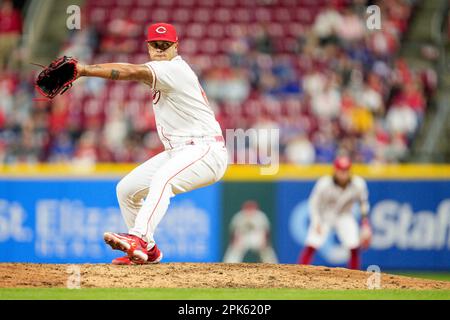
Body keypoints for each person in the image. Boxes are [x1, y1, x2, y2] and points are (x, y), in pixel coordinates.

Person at [75, 23, 228, 265]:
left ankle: (139, 238)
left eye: (165, 45)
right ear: (148, 47)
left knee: (163, 180)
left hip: (205, 150)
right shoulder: (164, 68)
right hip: (180, 150)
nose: (159, 49)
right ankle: (149, 252)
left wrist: (85, 70)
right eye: (155, 45)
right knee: (126, 189)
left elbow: (130, 72)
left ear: (175, 47)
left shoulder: (174, 69)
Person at [298, 156, 372, 270]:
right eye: (341, 170)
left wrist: (365, 224)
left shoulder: (358, 184)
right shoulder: (324, 183)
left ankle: (355, 276)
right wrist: (316, 221)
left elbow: (363, 204)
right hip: (325, 216)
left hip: (345, 215)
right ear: (335, 170)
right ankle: (299, 272)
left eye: (346, 170)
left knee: (354, 245)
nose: (343, 173)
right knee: (312, 243)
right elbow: (314, 203)